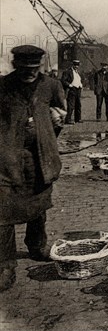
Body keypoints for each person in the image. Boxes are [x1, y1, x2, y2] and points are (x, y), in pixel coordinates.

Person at [0, 45, 66, 292]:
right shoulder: (3, 86)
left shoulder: (50, 85)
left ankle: (37, 246)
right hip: (7, 158)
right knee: (3, 211)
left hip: (41, 156)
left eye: (34, 69)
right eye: (24, 68)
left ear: (40, 66)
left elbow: (61, 114)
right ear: (15, 65)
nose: (29, 73)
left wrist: (54, 125)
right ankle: (5, 265)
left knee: (39, 202)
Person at [60, 59, 83, 124]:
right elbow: (63, 80)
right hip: (71, 90)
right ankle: (68, 120)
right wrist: (69, 85)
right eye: (75, 65)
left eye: (77, 65)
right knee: (71, 105)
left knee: (78, 105)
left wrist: (81, 84)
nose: (76, 66)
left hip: (78, 90)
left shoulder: (78, 72)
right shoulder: (68, 71)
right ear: (72, 65)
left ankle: (78, 119)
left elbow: (79, 80)